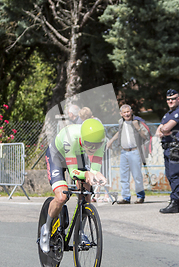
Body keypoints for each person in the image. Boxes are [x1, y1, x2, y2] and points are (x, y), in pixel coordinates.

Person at [39, 118, 107, 253]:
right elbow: (73, 172)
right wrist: (86, 174)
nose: (92, 149)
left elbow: (93, 170)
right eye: (89, 145)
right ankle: (46, 229)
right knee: (61, 197)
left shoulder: (101, 141)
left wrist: (96, 175)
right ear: (83, 138)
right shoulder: (71, 137)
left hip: (78, 156)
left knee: (86, 192)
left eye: (96, 146)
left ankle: (81, 231)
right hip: (57, 157)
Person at [106, 104, 148, 204]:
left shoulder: (137, 121)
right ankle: (126, 197)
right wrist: (111, 140)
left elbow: (144, 136)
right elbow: (119, 133)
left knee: (137, 175)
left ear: (131, 111)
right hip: (124, 151)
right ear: (121, 114)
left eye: (128, 111)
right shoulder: (121, 122)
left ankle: (140, 196)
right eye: (124, 112)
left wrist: (137, 127)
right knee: (124, 176)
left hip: (134, 151)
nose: (126, 114)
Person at [156, 89, 179, 213]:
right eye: (168, 99)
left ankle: (174, 202)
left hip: (175, 148)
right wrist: (163, 130)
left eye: (173, 99)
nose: (170, 101)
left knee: (175, 176)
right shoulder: (167, 114)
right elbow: (159, 131)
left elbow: (165, 128)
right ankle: (178, 203)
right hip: (167, 147)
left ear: (178, 99)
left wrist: (164, 130)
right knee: (170, 176)